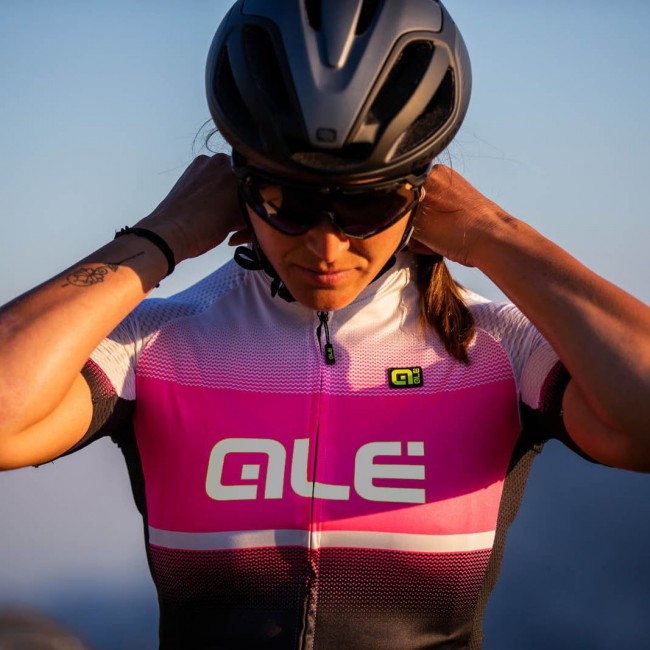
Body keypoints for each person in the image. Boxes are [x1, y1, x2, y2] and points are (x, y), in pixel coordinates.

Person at [0, 0, 648, 648]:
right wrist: (159, 237)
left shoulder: (497, 346)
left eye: (367, 204)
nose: (327, 246)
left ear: (422, 194)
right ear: (238, 189)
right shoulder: (155, 344)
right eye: (287, 202)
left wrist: (496, 234)